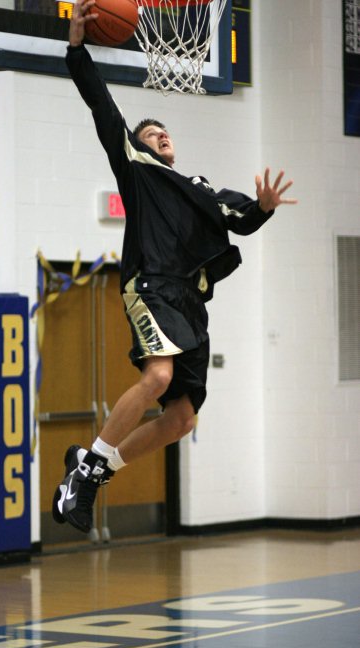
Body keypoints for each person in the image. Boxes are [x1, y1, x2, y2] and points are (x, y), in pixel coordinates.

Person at [52, 0, 297, 534]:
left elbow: (242, 219)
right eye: (151, 133)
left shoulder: (200, 189)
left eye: (165, 132)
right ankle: (88, 471)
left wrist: (265, 207)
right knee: (157, 375)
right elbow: (101, 108)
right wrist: (77, 50)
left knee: (182, 418)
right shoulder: (136, 171)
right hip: (151, 285)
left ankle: (94, 468)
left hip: (190, 303)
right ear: (138, 148)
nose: (161, 135)